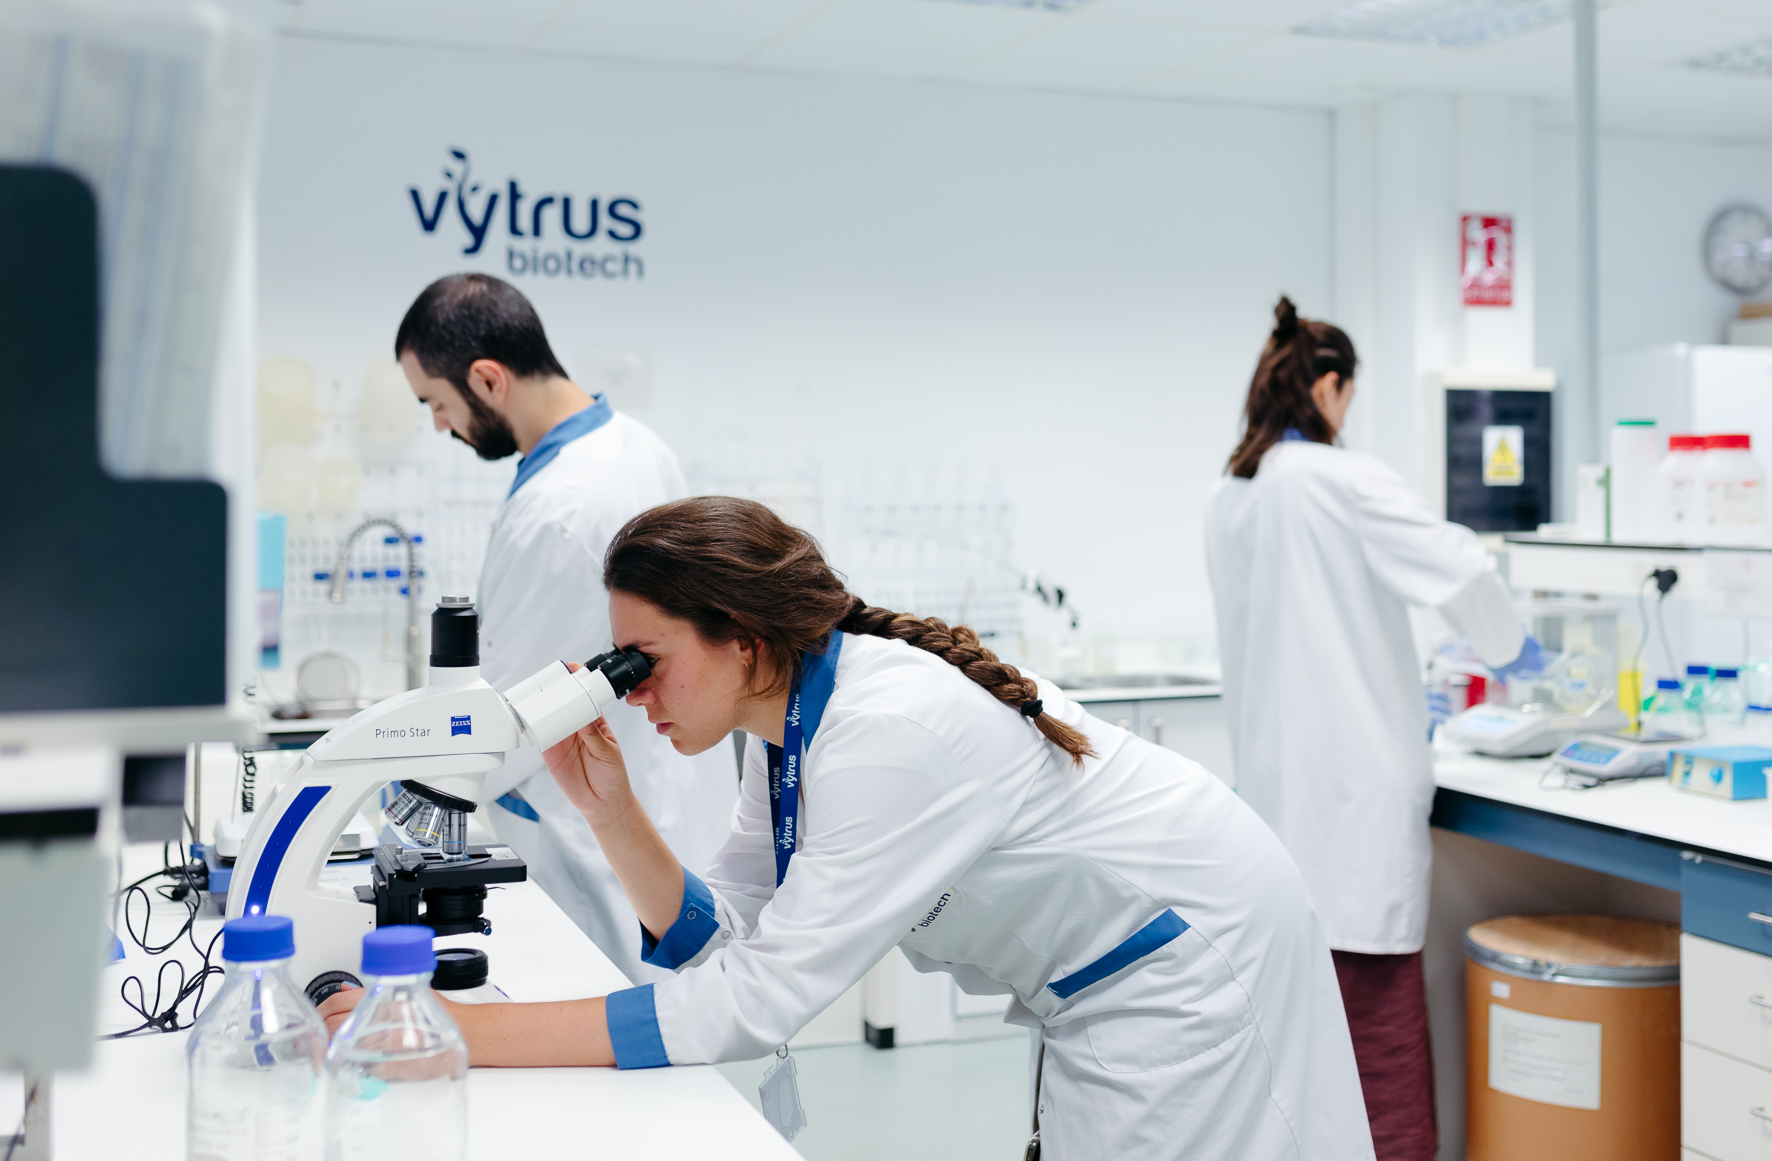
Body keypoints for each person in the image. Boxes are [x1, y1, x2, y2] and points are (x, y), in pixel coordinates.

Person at [324, 495, 1375, 1161]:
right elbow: (723, 940)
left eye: (647, 661)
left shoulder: (886, 735)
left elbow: (750, 1003)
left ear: (741, 639)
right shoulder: (784, 729)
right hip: (1096, 982)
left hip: (1194, 964)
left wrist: (451, 1033)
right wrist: (610, 810)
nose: (631, 691)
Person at [1204, 297, 1539, 1161]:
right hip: (1354, 805)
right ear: (1328, 388)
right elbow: (1459, 566)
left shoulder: (1232, 495)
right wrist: (1513, 648)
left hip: (1279, 802)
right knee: (1378, 1047)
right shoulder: (1337, 479)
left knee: (1304, 1050)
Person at [394, 273, 735, 980]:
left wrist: (397, 779)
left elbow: (509, 722)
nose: (439, 424)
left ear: (488, 379)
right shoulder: (632, 444)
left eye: (435, 402)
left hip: (598, 855)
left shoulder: (562, 509)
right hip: (659, 813)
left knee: (625, 1024)